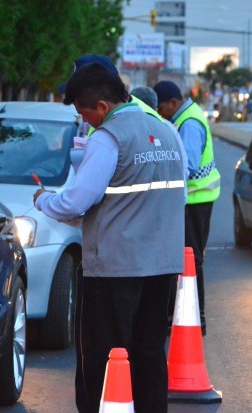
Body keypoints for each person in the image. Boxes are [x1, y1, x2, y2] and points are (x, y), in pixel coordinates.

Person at [34, 61, 185, 413]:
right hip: (161, 265)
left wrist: (43, 200)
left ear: (102, 107)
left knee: (103, 357)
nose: (85, 122)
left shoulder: (108, 138)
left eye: (84, 114)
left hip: (114, 269)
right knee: (149, 353)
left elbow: (77, 201)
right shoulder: (166, 131)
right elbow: (178, 196)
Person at [153, 80, 221, 335]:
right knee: (187, 259)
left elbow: (188, 166)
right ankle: (186, 316)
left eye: (161, 108)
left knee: (192, 260)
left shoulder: (189, 123)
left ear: (173, 103)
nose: (160, 114)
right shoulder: (185, 118)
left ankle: (196, 317)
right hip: (193, 200)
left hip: (195, 200)